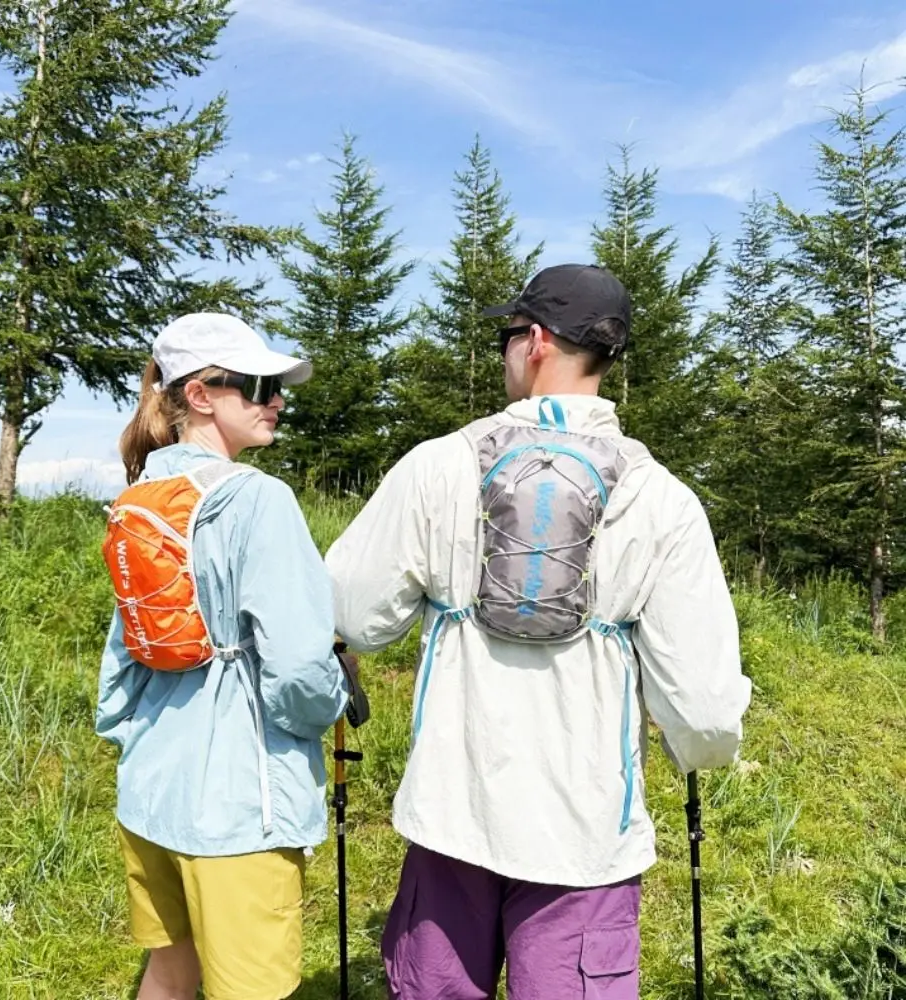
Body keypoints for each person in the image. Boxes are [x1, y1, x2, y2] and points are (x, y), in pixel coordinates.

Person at [324, 265, 752, 1000]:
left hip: (452, 813)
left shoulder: (437, 467)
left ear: (538, 341)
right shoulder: (663, 499)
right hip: (587, 833)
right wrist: (703, 752)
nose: (502, 353)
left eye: (506, 335)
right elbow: (705, 709)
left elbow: (354, 614)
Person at [96, 312, 351, 1000]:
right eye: (258, 385)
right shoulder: (258, 500)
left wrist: (125, 737)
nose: (276, 400)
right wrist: (329, 703)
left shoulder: (138, 498)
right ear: (201, 395)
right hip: (238, 802)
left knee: (171, 971)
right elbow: (298, 667)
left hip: (151, 789)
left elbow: (121, 654)